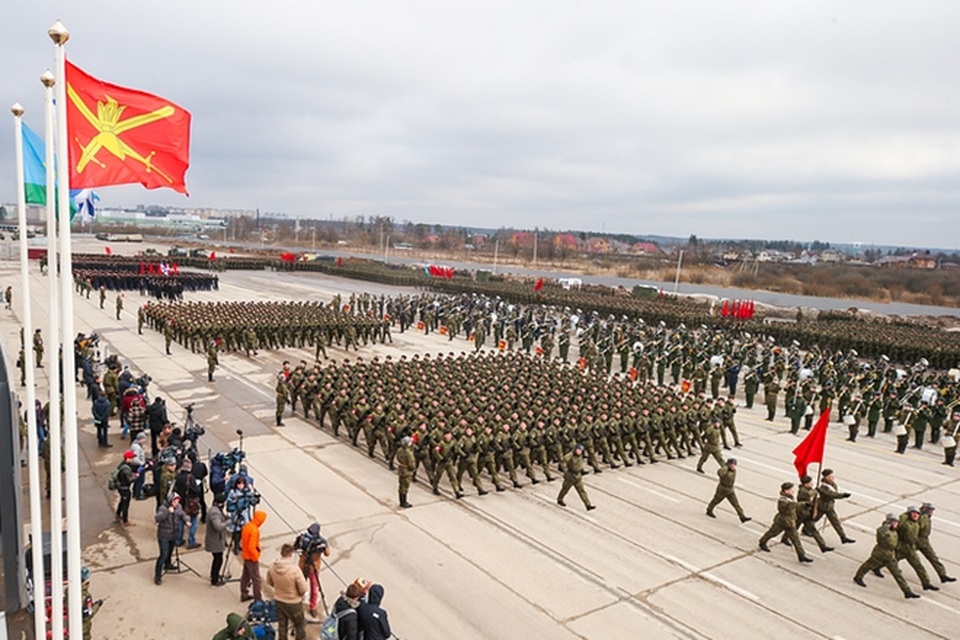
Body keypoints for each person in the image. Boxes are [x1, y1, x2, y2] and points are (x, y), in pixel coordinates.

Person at [853, 513, 919, 599]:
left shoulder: (894, 531)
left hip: (890, 555)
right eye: (894, 522)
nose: (896, 524)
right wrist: (886, 526)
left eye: (896, 522)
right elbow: (880, 533)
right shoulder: (883, 530)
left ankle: (907, 591)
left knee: (897, 573)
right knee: (868, 565)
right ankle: (858, 577)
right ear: (890, 522)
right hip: (880, 552)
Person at [758, 482, 813, 563]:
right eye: (790, 489)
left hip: (790, 522)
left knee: (796, 539)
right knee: (772, 533)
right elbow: (791, 506)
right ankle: (762, 542)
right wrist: (803, 504)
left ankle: (801, 555)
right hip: (782, 521)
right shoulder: (783, 500)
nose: (792, 491)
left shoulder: (790, 497)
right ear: (786, 491)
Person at [266, 542, 308, 640]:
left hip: (279, 600)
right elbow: (303, 588)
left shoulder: (272, 567)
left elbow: (269, 581)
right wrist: (298, 594)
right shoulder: (294, 570)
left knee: (282, 624)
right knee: (299, 624)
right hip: (293, 602)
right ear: (291, 554)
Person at [897, 506, 940, 592]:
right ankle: (876, 566)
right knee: (891, 560)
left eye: (917, 514)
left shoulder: (916, 524)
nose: (915, 515)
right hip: (902, 547)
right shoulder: (904, 523)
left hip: (911, 547)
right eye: (913, 513)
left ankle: (926, 583)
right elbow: (898, 524)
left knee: (918, 566)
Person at [297, 522, 330, 618]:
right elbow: (296, 546)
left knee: (314, 588)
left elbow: (327, 553)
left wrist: (323, 546)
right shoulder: (306, 538)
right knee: (304, 586)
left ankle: (312, 606)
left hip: (311, 567)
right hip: (307, 566)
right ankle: (303, 603)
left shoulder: (320, 541)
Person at [154, 492, 189, 585]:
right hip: (164, 535)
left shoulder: (179, 507)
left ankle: (168, 565)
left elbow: (182, 514)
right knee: (163, 555)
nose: (176, 504)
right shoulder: (163, 508)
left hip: (173, 534)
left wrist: (187, 521)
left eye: (177, 502)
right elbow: (157, 518)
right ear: (170, 501)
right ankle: (157, 575)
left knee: (170, 552)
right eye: (175, 502)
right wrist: (167, 512)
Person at [705, 458, 750, 523]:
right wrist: (726, 468)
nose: (733, 466)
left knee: (736, 504)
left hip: (730, 490)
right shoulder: (725, 469)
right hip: (722, 489)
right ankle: (709, 510)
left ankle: (742, 517)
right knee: (716, 500)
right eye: (732, 464)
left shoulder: (734, 470)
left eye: (734, 464)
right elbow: (719, 473)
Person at [817, 469, 855, 544]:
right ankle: (805, 529)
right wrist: (843, 495)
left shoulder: (833, 484)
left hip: (829, 507)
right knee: (813, 519)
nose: (833, 477)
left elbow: (834, 493)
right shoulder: (823, 486)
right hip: (822, 506)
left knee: (836, 522)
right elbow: (830, 494)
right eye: (831, 476)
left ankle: (843, 537)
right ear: (826, 477)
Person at [557, 443, 595, 511]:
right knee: (565, 489)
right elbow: (563, 460)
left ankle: (588, 505)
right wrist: (565, 470)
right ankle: (560, 499)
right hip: (570, 476)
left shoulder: (580, 456)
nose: (579, 452)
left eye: (580, 451)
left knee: (582, 491)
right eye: (578, 450)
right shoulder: (571, 456)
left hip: (578, 476)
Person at [240, 509, 267, 602]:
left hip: (245, 555)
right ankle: (258, 599)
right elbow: (251, 547)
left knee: (245, 576)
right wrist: (255, 557)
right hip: (251, 558)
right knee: (256, 580)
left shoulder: (248, 526)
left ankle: (244, 593)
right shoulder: (254, 531)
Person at [206, 492, 229, 586]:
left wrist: (227, 518)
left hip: (217, 539)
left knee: (217, 559)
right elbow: (218, 526)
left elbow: (222, 518)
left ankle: (214, 575)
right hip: (215, 541)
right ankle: (214, 579)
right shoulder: (214, 513)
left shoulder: (216, 510)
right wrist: (229, 522)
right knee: (218, 560)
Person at [115, 450, 138, 526]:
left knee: (122, 501)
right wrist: (135, 476)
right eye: (131, 458)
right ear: (127, 458)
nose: (132, 459)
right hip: (125, 488)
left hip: (120, 487)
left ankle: (118, 514)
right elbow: (129, 480)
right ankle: (125, 521)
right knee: (125, 504)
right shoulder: (126, 469)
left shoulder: (122, 465)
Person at [81, 566, 102, 640]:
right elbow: (88, 614)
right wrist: (97, 605)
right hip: (83, 629)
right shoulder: (86, 596)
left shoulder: (68, 590)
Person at [396, 435, 415, 508]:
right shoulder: (408, 453)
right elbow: (411, 464)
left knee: (401, 485)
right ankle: (404, 502)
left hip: (401, 469)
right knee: (405, 486)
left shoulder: (400, 450)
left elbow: (397, 457)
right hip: (407, 471)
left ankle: (401, 500)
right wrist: (412, 468)